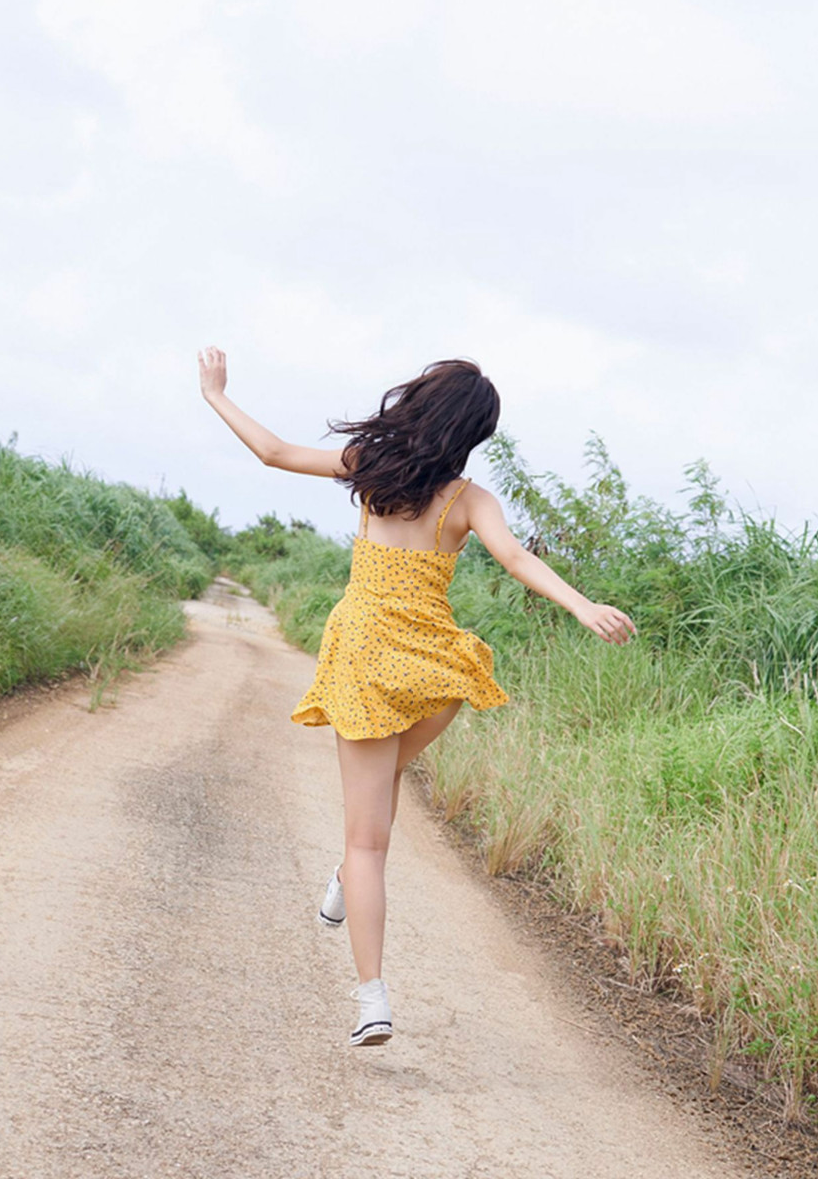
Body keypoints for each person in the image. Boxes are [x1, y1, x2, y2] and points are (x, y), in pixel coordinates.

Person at [198, 348, 635, 1047]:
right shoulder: (468, 501)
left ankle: (372, 996)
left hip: (369, 659)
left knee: (366, 840)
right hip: (437, 671)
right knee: (384, 786)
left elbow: (274, 452)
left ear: (419, 409)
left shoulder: (371, 470)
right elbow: (518, 560)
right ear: (471, 435)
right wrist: (582, 607)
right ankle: (347, 880)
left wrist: (215, 395)